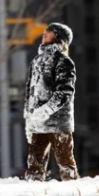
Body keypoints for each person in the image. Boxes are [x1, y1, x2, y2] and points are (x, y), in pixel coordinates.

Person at [23, 22, 78, 182]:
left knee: (65, 162)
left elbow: (65, 92)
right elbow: (30, 94)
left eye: (49, 32)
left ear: (59, 37)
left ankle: (74, 195)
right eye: (45, 31)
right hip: (38, 124)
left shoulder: (63, 62)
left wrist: (44, 112)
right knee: (34, 163)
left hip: (59, 123)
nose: (44, 34)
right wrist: (29, 119)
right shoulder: (36, 61)